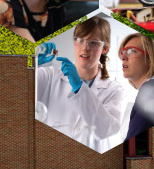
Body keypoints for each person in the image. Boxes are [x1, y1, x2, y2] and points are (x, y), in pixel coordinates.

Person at [36, 17, 126, 153]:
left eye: (93, 43)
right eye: (79, 40)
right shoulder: (49, 76)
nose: (85, 48)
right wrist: (28, 63)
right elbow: (10, 90)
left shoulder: (115, 91)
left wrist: (79, 87)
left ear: (104, 48)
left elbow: (104, 130)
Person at [119, 33, 154, 141]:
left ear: (151, 58)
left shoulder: (153, 90)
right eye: (123, 52)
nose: (123, 57)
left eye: (132, 51)